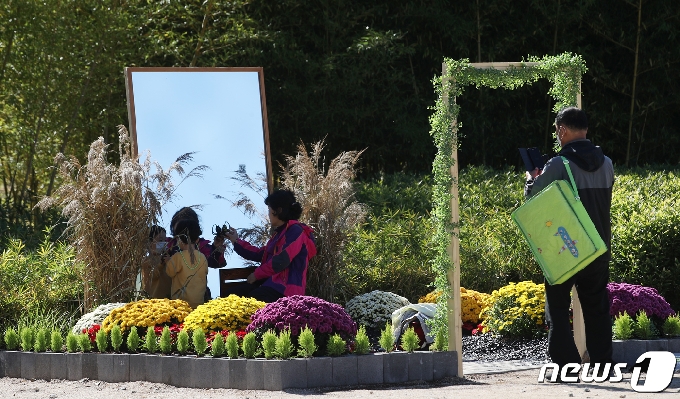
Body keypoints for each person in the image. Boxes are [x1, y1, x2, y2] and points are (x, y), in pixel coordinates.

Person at [525, 107, 614, 379]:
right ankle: (602, 365)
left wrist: (531, 179)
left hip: (565, 250)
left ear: (562, 130)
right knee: (597, 309)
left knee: (559, 308)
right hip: (597, 248)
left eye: (557, 131)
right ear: (585, 129)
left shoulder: (559, 165)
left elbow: (532, 199)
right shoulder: (607, 163)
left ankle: (567, 365)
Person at [224, 189, 317, 303]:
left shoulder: (296, 231)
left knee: (253, 298)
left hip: (286, 290)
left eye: (269, 209)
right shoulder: (280, 234)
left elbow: (281, 260)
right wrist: (236, 240)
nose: (268, 214)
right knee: (230, 294)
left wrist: (256, 275)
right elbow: (259, 254)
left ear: (278, 210)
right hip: (271, 286)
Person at [167, 206, 227, 301]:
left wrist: (216, 248)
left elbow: (215, 262)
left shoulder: (202, 245)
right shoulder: (169, 244)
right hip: (171, 294)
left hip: (199, 294)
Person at [165, 218, 208, 308]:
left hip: (181, 305)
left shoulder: (178, 257)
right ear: (197, 239)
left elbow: (169, 272)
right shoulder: (202, 257)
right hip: (199, 304)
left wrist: (168, 261)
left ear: (179, 239)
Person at [141, 225, 171, 299]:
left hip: (168, 299)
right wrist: (161, 264)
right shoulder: (147, 261)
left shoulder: (167, 257)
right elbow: (153, 276)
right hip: (154, 299)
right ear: (150, 242)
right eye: (160, 240)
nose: (164, 243)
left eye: (165, 240)